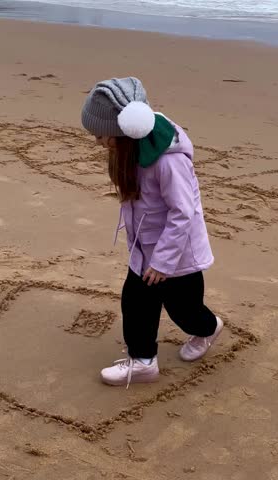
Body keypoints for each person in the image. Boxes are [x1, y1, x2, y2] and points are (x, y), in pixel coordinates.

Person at [80, 77, 223, 387]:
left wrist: (163, 261)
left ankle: (208, 328)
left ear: (126, 129)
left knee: (185, 312)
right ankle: (143, 361)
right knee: (135, 302)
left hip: (176, 257)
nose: (98, 142)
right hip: (144, 251)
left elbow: (183, 212)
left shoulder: (169, 162)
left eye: (102, 135)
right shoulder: (132, 150)